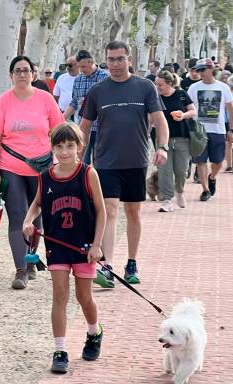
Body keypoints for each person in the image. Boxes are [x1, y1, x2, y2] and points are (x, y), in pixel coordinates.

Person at [79, 41, 169, 288]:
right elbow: (84, 129)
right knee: (108, 209)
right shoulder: (98, 91)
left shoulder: (145, 87)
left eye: (120, 59)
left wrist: (162, 147)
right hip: (106, 161)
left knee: (133, 212)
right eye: (111, 59)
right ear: (105, 61)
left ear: (129, 60)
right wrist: (75, 156)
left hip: (136, 160)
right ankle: (107, 266)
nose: (116, 64)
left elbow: (160, 121)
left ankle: (132, 262)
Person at [22, 122, 106, 374]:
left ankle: (94, 331)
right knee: (59, 295)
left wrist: (97, 245)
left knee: (84, 298)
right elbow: (37, 203)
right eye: (59, 146)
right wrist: (28, 220)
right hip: (56, 244)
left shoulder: (88, 173)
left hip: (83, 246)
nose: (65, 151)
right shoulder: (45, 176)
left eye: (70, 146)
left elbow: (102, 211)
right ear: (52, 148)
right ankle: (60, 349)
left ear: (79, 146)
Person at [0, 55, 65, 289]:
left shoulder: (46, 100)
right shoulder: (3, 101)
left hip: (42, 168)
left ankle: (31, 260)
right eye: (17, 70)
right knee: (19, 216)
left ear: (34, 74)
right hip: (11, 166)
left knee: (38, 217)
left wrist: (64, 162)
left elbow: (59, 132)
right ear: (11, 75)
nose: (22, 74)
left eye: (26, 70)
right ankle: (20, 269)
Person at [187, 58, 233, 202]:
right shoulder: (194, 88)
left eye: (202, 70)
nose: (200, 73)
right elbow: (188, 108)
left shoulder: (223, 87)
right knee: (200, 161)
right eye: (198, 70)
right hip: (199, 131)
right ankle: (205, 190)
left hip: (218, 130)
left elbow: (231, 110)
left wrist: (231, 129)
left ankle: (212, 177)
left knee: (218, 161)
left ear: (211, 69)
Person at [154, 70, 197, 212]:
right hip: (162, 140)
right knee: (164, 170)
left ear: (170, 83)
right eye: (156, 84)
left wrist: (183, 115)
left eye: (160, 84)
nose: (158, 87)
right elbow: (149, 116)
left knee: (181, 170)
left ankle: (180, 191)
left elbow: (193, 111)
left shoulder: (181, 94)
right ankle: (167, 199)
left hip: (182, 138)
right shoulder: (155, 97)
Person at [64, 50, 109, 164]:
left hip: (102, 128)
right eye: (79, 67)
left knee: (100, 162)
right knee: (81, 161)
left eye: (83, 66)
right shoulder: (78, 79)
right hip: (83, 128)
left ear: (91, 61)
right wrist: (61, 118)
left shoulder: (105, 78)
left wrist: (91, 101)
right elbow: (74, 103)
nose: (82, 70)